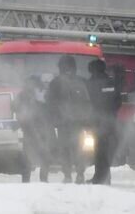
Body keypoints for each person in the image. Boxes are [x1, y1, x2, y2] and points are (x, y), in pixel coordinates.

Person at [46, 55, 90, 183]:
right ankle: (80, 174)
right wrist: (87, 121)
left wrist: (53, 120)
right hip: (79, 122)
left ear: (60, 67)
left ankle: (67, 175)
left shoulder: (55, 83)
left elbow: (50, 103)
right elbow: (88, 102)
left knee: (65, 149)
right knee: (79, 148)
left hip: (63, 124)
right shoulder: (82, 81)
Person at [86, 59, 121, 184]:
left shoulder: (91, 83)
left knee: (99, 150)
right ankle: (102, 176)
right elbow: (118, 102)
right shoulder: (111, 82)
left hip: (97, 121)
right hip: (109, 121)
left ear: (93, 69)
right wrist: (111, 114)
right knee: (103, 150)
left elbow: (88, 102)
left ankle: (101, 177)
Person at [15, 75, 50, 182]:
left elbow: (47, 109)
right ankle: (28, 180)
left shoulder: (40, 94)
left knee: (44, 155)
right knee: (28, 157)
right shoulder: (23, 95)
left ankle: (42, 179)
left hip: (40, 129)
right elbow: (15, 107)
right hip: (30, 130)